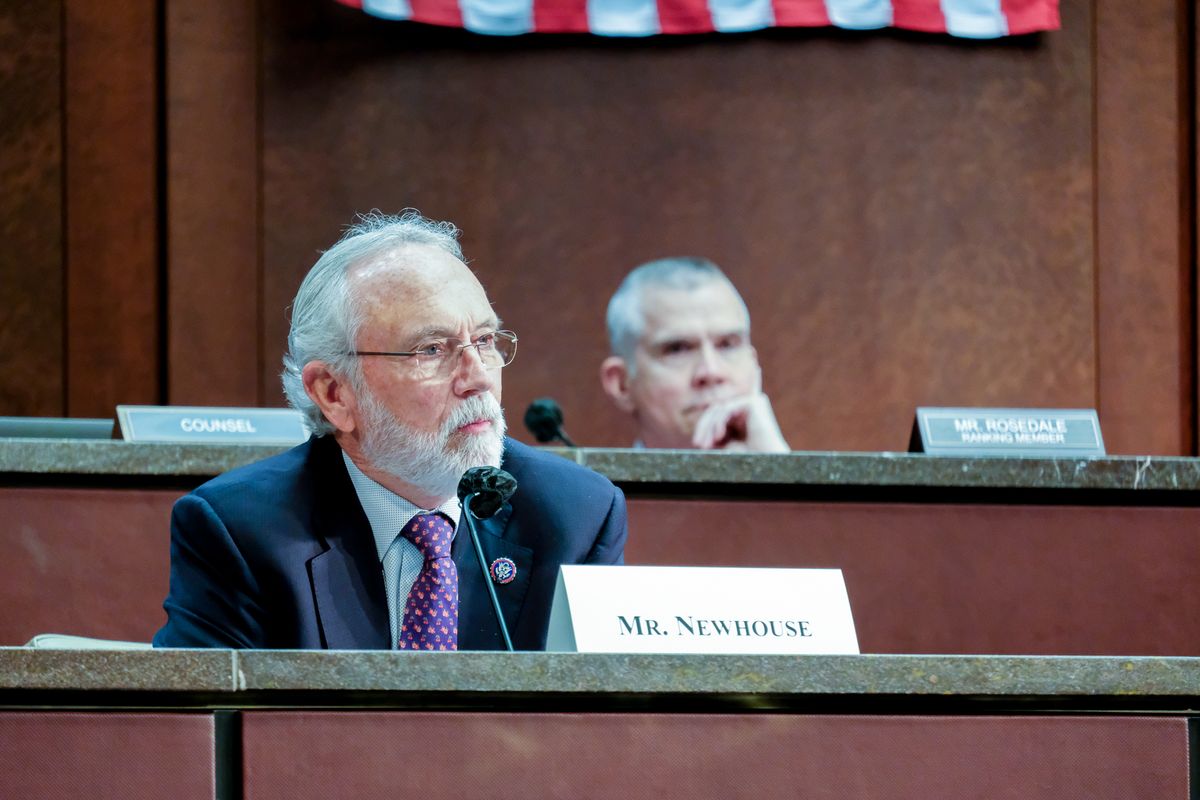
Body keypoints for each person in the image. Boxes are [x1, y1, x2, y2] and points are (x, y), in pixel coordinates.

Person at [153, 211, 627, 650]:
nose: (479, 376)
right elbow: (201, 730)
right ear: (334, 392)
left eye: (484, 341)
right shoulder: (240, 533)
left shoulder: (574, 516)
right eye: (431, 350)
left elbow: (605, 729)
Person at [600, 257, 789, 452]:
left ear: (754, 364)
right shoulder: (594, 484)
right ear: (622, 384)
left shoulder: (776, 454)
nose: (711, 372)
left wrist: (777, 466)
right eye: (677, 349)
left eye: (727, 345)